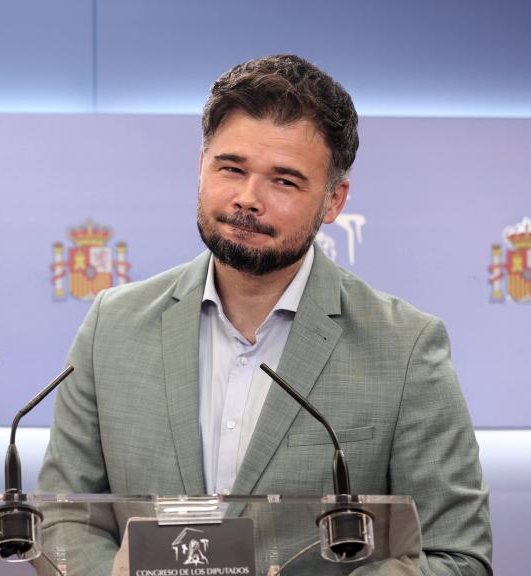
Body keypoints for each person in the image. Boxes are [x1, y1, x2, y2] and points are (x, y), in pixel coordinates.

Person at [36, 55, 492, 575]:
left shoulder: (407, 347)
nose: (247, 199)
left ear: (333, 201)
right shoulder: (112, 325)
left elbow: (455, 556)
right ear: (201, 165)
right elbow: (62, 518)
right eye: (231, 168)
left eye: (284, 181)